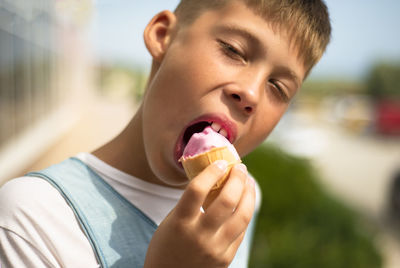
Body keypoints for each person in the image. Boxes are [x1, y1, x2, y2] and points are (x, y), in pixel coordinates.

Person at [0, 0, 331, 267]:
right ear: (163, 36)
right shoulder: (32, 219)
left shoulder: (241, 202)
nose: (252, 94)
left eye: (278, 86)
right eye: (232, 49)